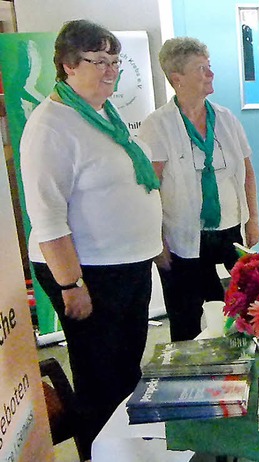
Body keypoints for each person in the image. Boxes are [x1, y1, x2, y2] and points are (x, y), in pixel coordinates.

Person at [20, 19, 162, 457]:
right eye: (98, 61)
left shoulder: (103, 114)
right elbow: (47, 217)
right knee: (100, 378)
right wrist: (70, 284)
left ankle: (128, 449)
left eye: (115, 61)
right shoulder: (51, 126)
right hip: (88, 273)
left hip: (126, 264)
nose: (110, 71)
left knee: (126, 372)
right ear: (66, 65)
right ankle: (99, 452)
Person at [139, 37, 259, 342]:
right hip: (182, 236)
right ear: (177, 78)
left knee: (245, 306)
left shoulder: (226, 119)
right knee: (187, 317)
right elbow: (148, 191)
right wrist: (158, 244)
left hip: (229, 230)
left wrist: (252, 219)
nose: (210, 74)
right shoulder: (158, 124)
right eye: (201, 68)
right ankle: (190, 381)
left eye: (209, 67)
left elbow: (247, 172)